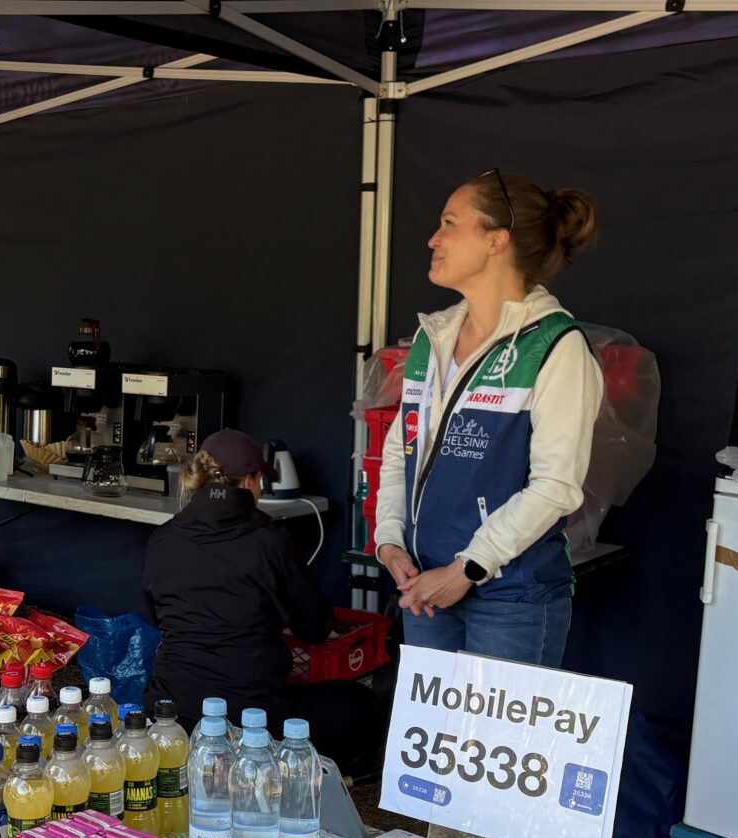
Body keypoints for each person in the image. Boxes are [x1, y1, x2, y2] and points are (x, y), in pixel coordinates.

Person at [373, 169, 604, 668]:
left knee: (494, 726)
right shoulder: (432, 337)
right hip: (426, 589)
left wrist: (468, 568)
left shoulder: (556, 346)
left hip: (512, 601)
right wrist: (389, 539)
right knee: (429, 725)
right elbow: (401, 452)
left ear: (496, 241)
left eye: (449, 223)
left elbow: (556, 487)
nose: (433, 239)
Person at [141, 429, 384, 776]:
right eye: (259, 482)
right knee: (362, 703)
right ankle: (314, 780)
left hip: (172, 710)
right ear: (250, 481)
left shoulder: (162, 538)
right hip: (251, 715)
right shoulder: (271, 540)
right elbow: (315, 627)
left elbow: (156, 615)